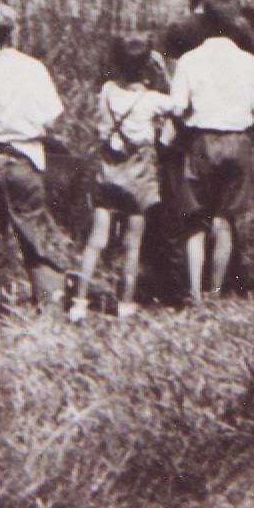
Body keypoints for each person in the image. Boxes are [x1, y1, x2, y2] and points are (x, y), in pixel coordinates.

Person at [169, 0, 254, 301]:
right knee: (225, 220)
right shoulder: (247, 62)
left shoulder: (190, 60)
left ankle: (195, 294)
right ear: (236, 21)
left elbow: (177, 108)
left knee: (196, 222)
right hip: (238, 141)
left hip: (202, 141)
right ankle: (216, 290)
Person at [0, 3, 65, 312]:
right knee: (34, 238)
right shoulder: (34, 68)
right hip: (24, 158)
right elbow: (53, 118)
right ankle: (48, 308)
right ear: (13, 33)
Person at [68, 33, 176, 322]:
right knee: (133, 241)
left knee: (97, 238)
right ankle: (125, 304)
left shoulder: (106, 91)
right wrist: (162, 70)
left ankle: (79, 300)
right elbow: (180, 104)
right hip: (139, 175)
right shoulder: (155, 100)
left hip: (108, 171)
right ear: (147, 66)